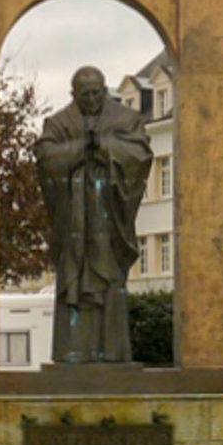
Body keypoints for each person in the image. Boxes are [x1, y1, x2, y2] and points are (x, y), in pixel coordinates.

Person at [34, 65, 152, 364]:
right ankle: (72, 351)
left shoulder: (126, 119)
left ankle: (112, 353)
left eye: (96, 93)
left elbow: (139, 155)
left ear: (104, 89)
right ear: (73, 94)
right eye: (84, 94)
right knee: (73, 283)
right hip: (73, 224)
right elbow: (47, 159)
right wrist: (81, 146)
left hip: (109, 220)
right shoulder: (58, 123)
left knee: (111, 283)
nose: (91, 99)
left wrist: (101, 145)